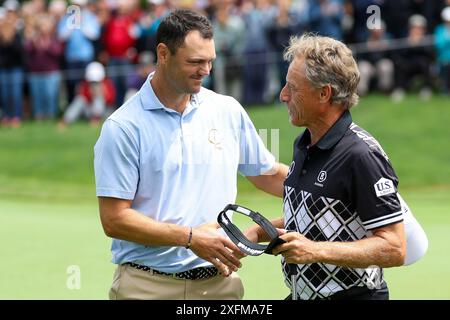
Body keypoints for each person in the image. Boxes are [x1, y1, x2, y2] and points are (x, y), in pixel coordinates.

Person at [93, 9, 288, 300]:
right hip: (147, 287)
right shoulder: (123, 127)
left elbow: (266, 174)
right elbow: (114, 219)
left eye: (210, 61)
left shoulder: (227, 110)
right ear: (163, 53)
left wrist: (327, 190)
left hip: (219, 285)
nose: (206, 70)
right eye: (195, 62)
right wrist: (190, 238)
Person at [244, 34, 427, 300]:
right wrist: (259, 231)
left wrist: (315, 251)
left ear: (323, 93)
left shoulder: (361, 155)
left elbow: (394, 247)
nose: (283, 96)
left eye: (292, 88)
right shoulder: (305, 143)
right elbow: (321, 216)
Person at [59, 61, 115, 128]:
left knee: (98, 98)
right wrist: (90, 93)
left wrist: (103, 94)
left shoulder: (107, 83)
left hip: (104, 112)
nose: (94, 83)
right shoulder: (84, 84)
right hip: (88, 111)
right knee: (79, 100)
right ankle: (66, 120)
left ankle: (96, 120)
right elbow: (81, 96)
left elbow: (112, 100)